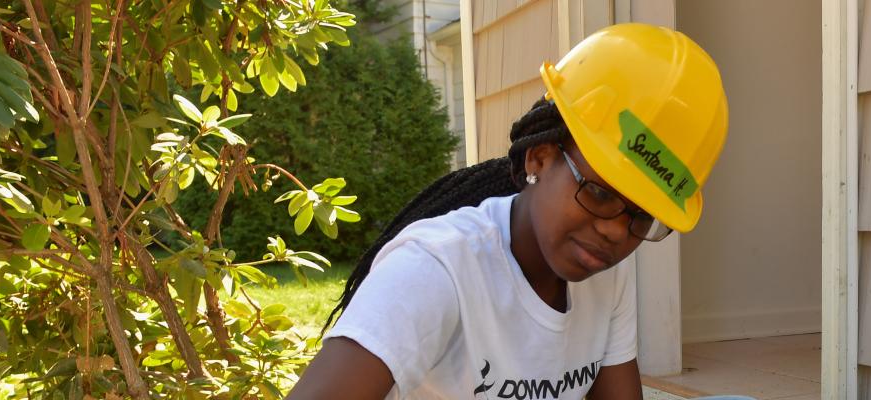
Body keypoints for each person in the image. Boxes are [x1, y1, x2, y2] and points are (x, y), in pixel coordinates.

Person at [286, 23, 729, 399]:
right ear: (539, 158)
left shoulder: (605, 274)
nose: (616, 232)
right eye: (599, 193)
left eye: (641, 216)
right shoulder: (437, 269)